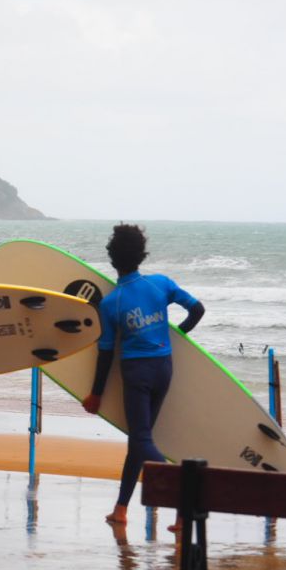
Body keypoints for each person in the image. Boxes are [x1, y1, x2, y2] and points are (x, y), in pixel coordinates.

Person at [81, 223, 205, 526]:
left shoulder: (112, 304)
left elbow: (106, 352)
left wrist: (96, 393)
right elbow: (197, 309)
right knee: (138, 441)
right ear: (141, 255)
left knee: (141, 438)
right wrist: (177, 337)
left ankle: (184, 496)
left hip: (137, 374)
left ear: (112, 259)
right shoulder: (160, 284)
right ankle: (121, 509)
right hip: (164, 368)